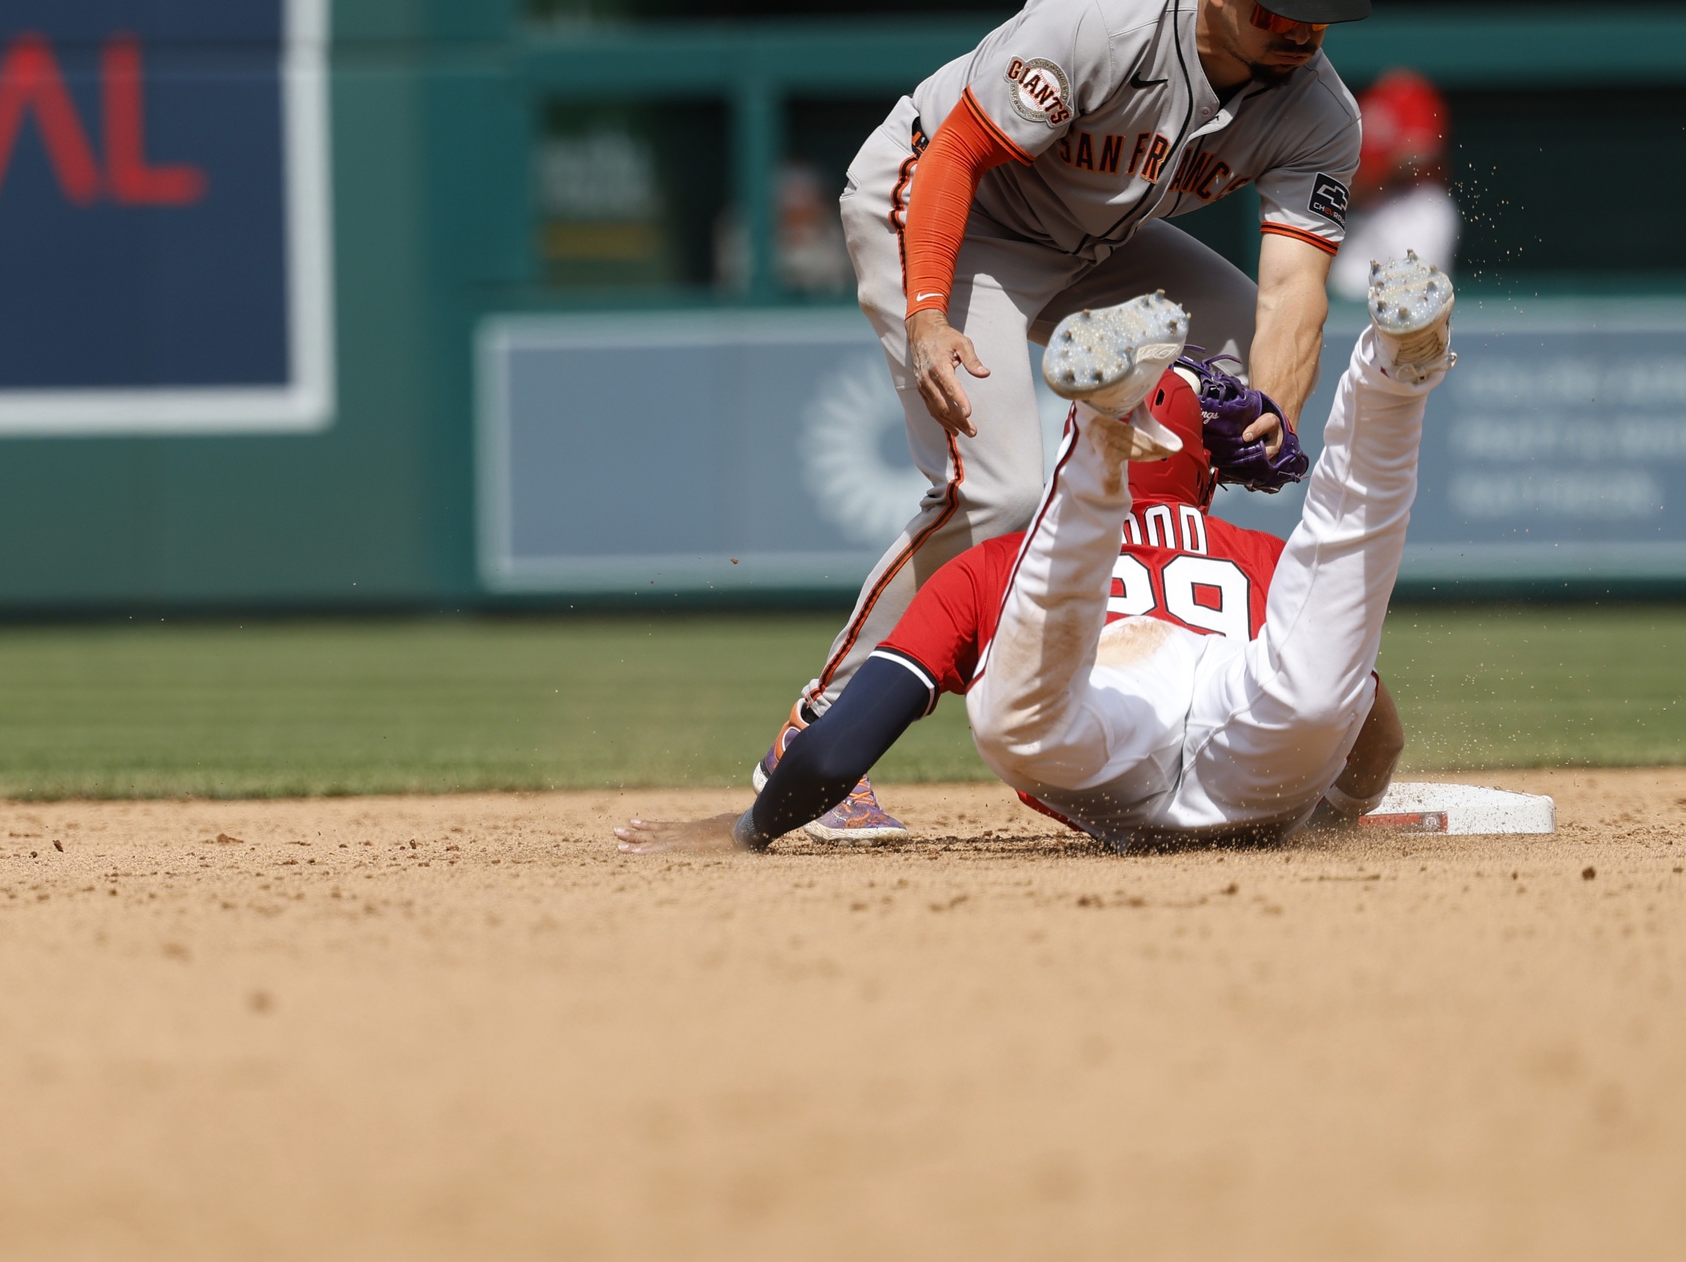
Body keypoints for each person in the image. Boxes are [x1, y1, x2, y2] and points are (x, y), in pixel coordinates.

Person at [783, 0, 1375, 842]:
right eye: (1279, 6)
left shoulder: (1320, 113)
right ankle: (813, 727)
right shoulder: (1102, 18)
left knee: (1226, 369)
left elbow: (1290, 292)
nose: (1302, 31)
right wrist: (929, 316)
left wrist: (1274, 405)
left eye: (1319, 11)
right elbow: (956, 158)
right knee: (1001, 492)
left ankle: (1156, 647)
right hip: (941, 212)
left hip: (1086, 244)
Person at [618, 255, 1453, 854]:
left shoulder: (989, 564)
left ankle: (1099, 440)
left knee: (1019, 713)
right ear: (1206, 461)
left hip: (1096, 733)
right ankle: (1389, 380)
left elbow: (835, 751)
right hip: (1261, 746)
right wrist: (1330, 816)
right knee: (1343, 558)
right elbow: (1373, 739)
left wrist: (749, 826)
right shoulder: (1259, 557)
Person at [1329, 70, 1458, 300]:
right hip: (1371, 213)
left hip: (1415, 206)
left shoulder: (1411, 93)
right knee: (1347, 284)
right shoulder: (1364, 102)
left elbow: (1421, 153)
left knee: (1417, 293)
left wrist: (1373, 178)